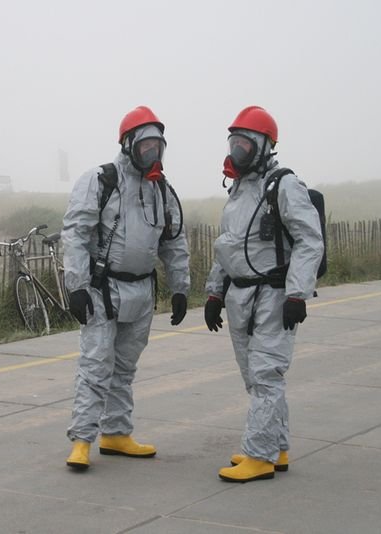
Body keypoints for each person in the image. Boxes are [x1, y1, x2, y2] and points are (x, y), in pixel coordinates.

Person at [61, 105, 191, 471]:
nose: (153, 153)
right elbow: (76, 233)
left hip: (141, 292)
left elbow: (174, 242)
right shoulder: (101, 181)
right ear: (128, 143)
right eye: (146, 145)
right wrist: (76, 285)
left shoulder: (161, 191)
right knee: (95, 365)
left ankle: (116, 434)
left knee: (124, 368)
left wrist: (181, 287)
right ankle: (82, 440)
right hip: (102, 290)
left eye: (158, 147)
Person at [204, 106, 324, 483]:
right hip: (241, 296)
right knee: (255, 379)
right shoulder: (239, 189)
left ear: (264, 145)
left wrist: (297, 294)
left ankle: (259, 456)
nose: (237, 150)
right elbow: (229, 244)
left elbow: (309, 239)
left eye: (245, 143)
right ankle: (277, 447)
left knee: (266, 374)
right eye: (234, 143)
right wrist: (214, 293)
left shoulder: (284, 185)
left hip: (273, 295)